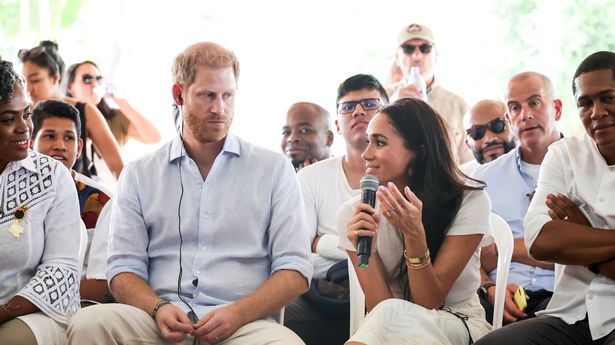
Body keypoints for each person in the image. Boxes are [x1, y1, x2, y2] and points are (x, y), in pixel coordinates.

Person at [66, 42, 312, 345]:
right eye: (207, 95)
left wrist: (238, 313)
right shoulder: (140, 174)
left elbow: (296, 270)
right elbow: (122, 270)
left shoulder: (274, 169)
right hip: (157, 319)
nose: (219, 108)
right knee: (89, 323)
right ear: (178, 95)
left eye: (227, 96)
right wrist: (157, 308)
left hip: (244, 324)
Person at [474, 51, 615, 345]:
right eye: (586, 103)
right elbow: (541, 241)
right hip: (570, 313)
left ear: (556, 109)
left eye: (608, 98)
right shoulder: (564, 155)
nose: (597, 112)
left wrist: (582, 233)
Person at [338, 98, 493, 345]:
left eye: (379, 142)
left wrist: (414, 235)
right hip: (388, 326)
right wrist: (369, 252)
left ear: (419, 152)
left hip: (457, 323)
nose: (366, 154)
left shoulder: (469, 201)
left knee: (391, 316)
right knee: (389, 315)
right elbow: (380, 306)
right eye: (368, 142)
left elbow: (429, 302)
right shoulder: (355, 214)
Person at [284, 74, 389, 345]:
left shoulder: (402, 177)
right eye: (347, 106)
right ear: (337, 127)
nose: (358, 111)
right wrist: (354, 250)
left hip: (388, 293)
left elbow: (392, 257)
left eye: (369, 104)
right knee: (282, 317)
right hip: (323, 297)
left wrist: (322, 243)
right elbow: (301, 252)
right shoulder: (309, 178)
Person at [0, 57, 81, 345]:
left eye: (26, 114)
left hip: (33, 311)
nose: (24, 128)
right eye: (9, 119)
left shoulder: (52, 177)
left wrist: (3, 312)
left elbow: (60, 271)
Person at [472, 71, 563, 325]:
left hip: (565, 300)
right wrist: (489, 287)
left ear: (556, 108)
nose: (525, 115)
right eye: (515, 108)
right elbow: (470, 256)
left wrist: (506, 248)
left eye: (534, 103)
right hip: (493, 301)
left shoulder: (586, 168)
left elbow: (584, 255)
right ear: (509, 119)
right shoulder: (483, 179)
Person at [31, 99, 113, 304]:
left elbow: (101, 285)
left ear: (78, 148)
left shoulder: (100, 201)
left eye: (68, 138)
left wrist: (33, 300)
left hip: (74, 308)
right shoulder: (11, 192)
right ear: (31, 142)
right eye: (49, 136)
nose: (59, 146)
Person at [17, 41, 123, 180]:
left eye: (35, 80)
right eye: (23, 82)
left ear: (55, 78)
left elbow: (118, 168)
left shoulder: (86, 111)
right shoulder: (21, 116)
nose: (28, 90)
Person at [386, 23, 473, 164]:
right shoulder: (382, 98)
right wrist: (391, 105)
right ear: (397, 56)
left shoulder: (457, 105)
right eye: (408, 49)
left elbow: (470, 164)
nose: (416, 55)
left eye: (425, 48)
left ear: (436, 55)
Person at [66, 60, 161, 147]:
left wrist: (122, 103)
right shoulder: (62, 119)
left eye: (98, 79)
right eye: (87, 79)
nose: (95, 84)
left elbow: (154, 138)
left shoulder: (115, 118)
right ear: (70, 86)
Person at [461, 99, 516, 175]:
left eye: (497, 126)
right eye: (477, 132)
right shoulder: (463, 181)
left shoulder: (537, 169)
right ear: (468, 143)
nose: (489, 139)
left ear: (513, 126)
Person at [281, 101, 333, 170]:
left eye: (304, 130)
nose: (292, 138)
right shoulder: (275, 177)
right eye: (286, 132)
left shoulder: (346, 176)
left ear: (329, 138)